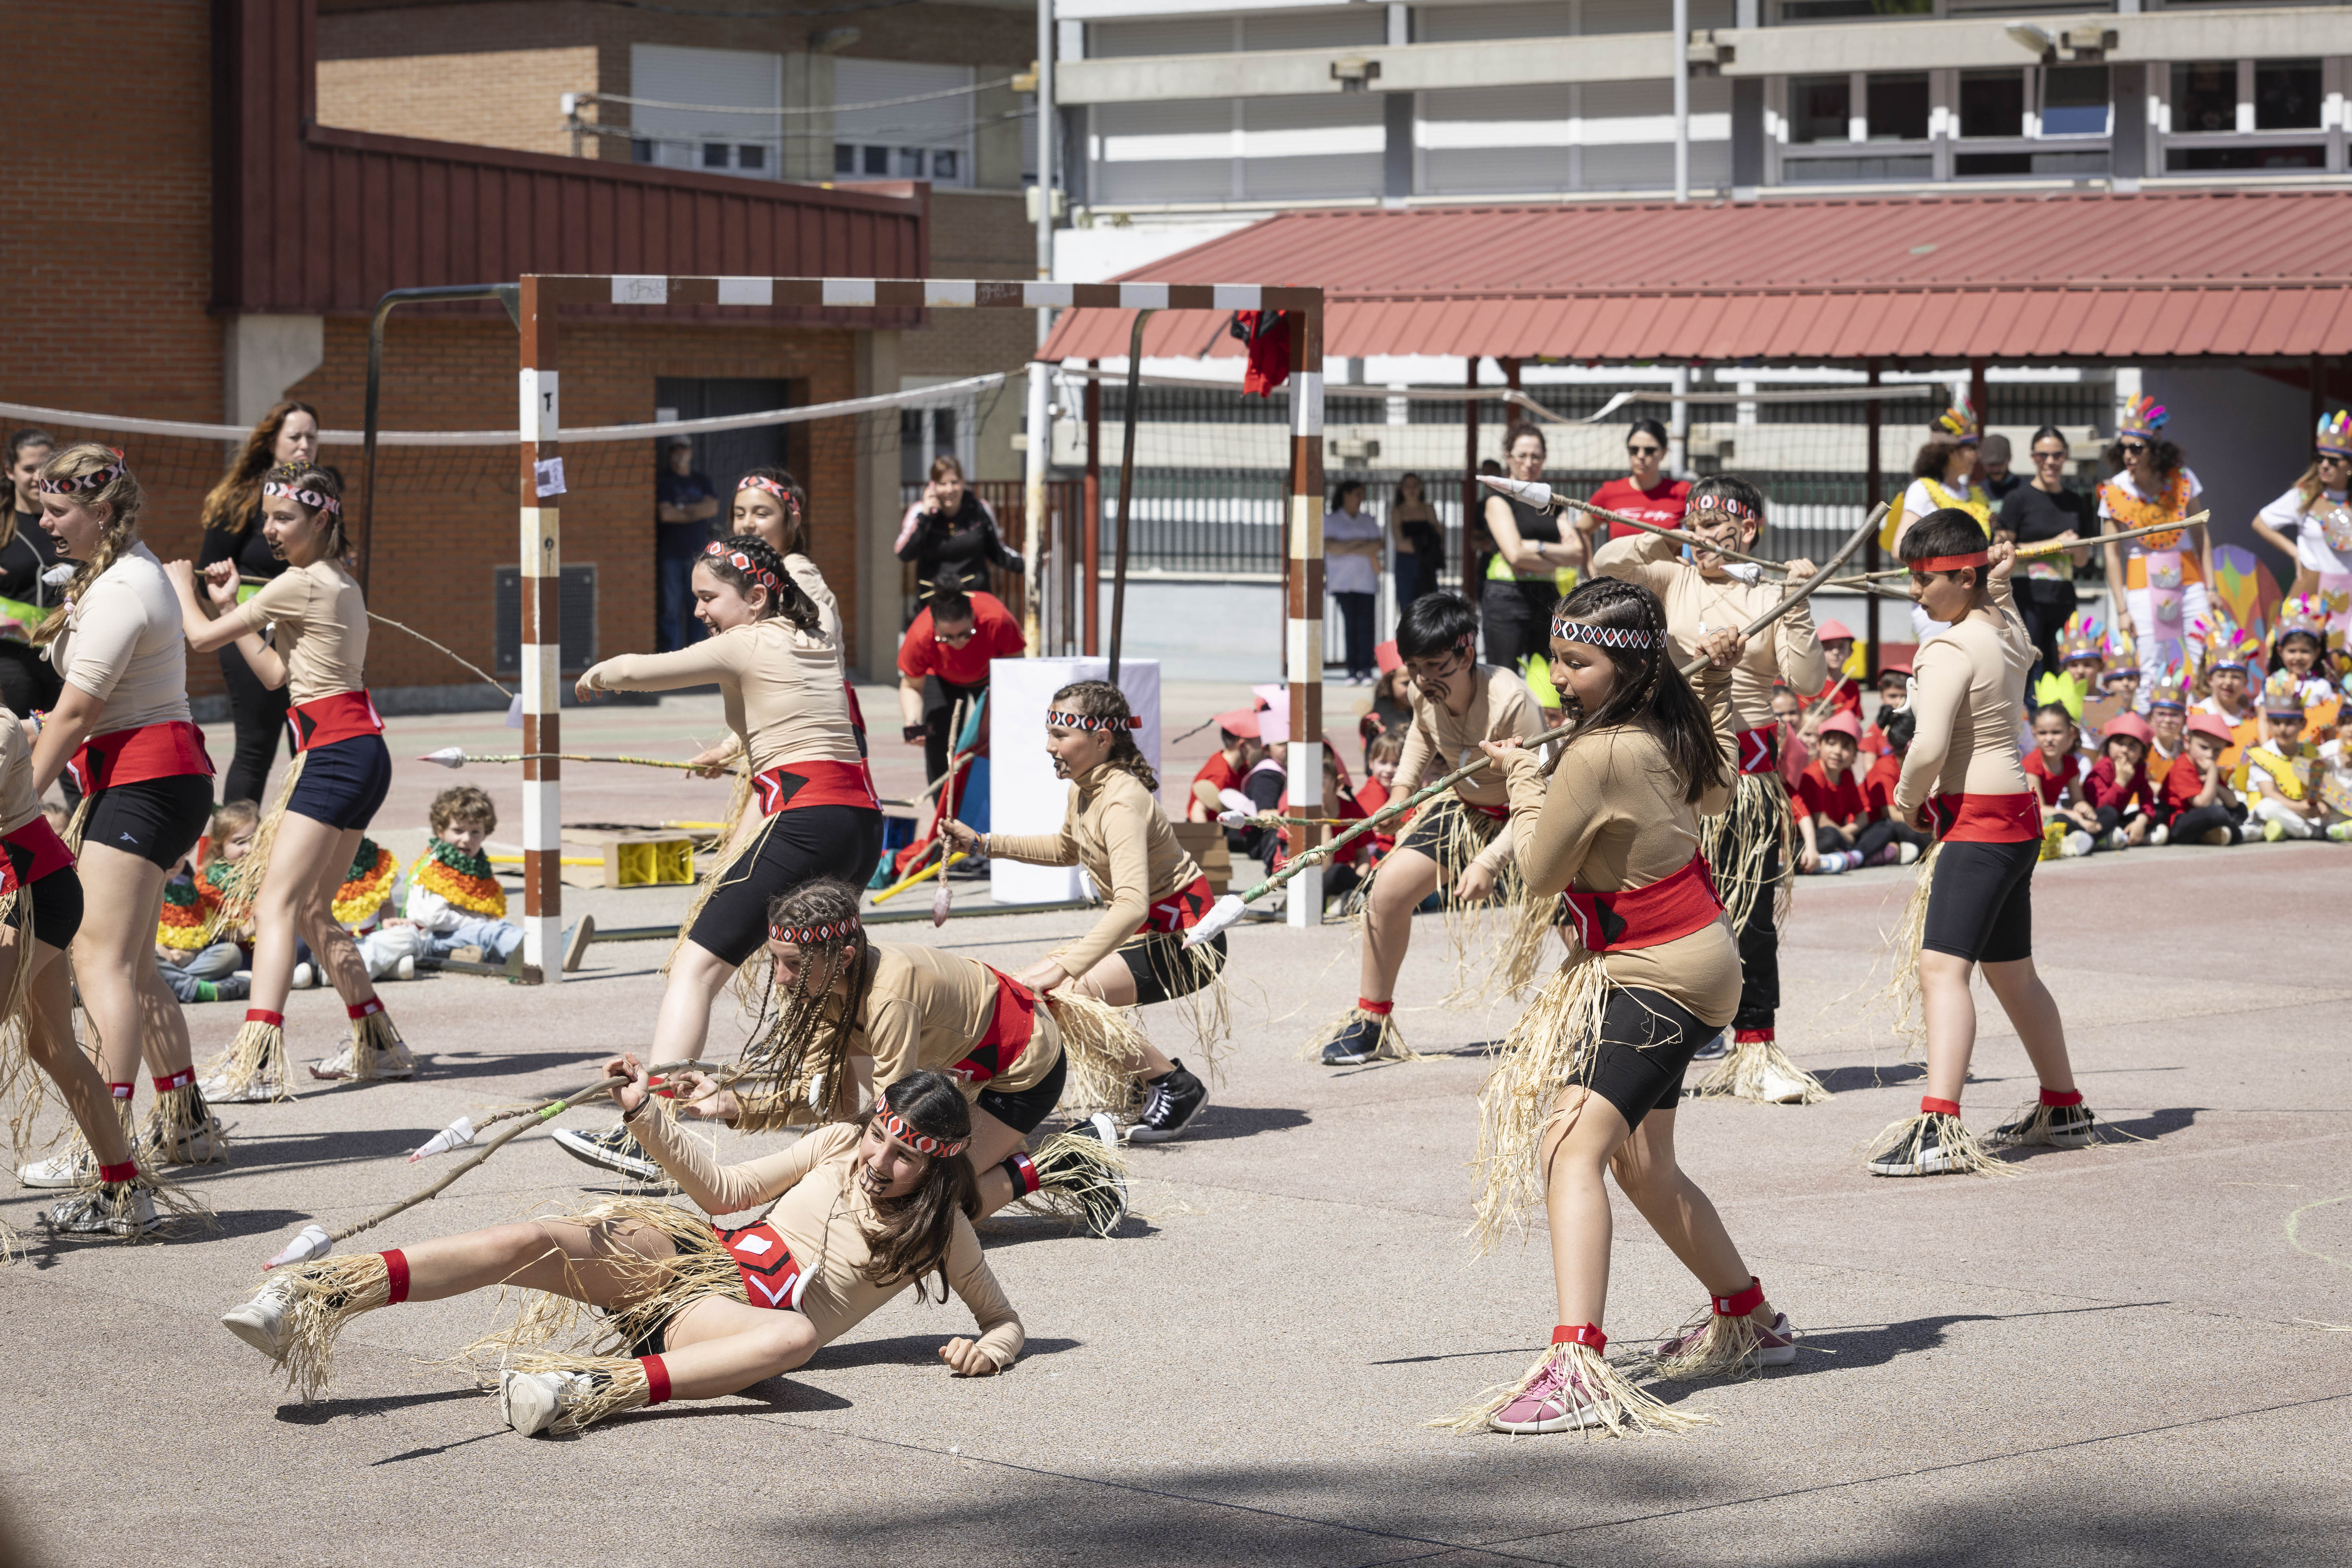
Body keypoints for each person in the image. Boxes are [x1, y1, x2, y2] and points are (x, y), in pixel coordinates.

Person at [1447, 583, 1792, 1436]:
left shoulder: (1598, 753)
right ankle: (1747, 1315)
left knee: (1569, 1145)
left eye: (1578, 663)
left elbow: (1539, 874)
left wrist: (1522, 778)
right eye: (1556, 660)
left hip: (1657, 970)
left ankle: (1578, 1364)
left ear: (1629, 666)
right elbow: (1716, 792)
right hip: (1688, 958)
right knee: (1641, 1163)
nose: (1560, 679)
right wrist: (1715, 687)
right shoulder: (1665, 723)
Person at [219, 1068, 1024, 1432]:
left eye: (903, 1157)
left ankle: (582, 1391)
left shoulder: (943, 1234)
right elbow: (724, 1192)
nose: (878, 1162)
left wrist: (986, 1348)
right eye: (879, 1139)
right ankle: (319, 1295)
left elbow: (1004, 1320)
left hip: (724, 1324)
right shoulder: (836, 1144)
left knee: (794, 1338)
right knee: (532, 1238)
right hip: (693, 1252)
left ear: (938, 1164)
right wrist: (646, 1116)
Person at [554, 535, 884, 1182]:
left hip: (804, 819)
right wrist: (734, 749)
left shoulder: (747, 640)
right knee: (831, 985)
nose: (700, 610)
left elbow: (642, 670)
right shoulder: (815, 636)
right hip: (861, 823)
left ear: (757, 596)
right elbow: (789, 706)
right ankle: (875, 1125)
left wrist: (598, 674)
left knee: (695, 967)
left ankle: (652, 1136)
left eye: (709, 597)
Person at [1869, 514, 2106, 1177]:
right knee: (2011, 972)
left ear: (1965, 576)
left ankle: (1939, 1124)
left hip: (1977, 821)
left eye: (1925, 580)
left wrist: (1905, 799)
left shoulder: (1946, 647)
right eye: (1912, 578)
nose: (1914, 592)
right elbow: (2016, 637)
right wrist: (1999, 585)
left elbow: (1926, 745)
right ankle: (2062, 1106)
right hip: (2015, 817)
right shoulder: (2003, 629)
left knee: (1941, 969)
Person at [169, 463, 409, 1096]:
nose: (270, 530)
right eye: (267, 518)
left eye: (284, 518)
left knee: (273, 905)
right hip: (361, 751)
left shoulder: (297, 583)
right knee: (308, 909)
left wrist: (180, 588)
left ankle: (256, 1062)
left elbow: (200, 640)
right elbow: (278, 674)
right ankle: (379, 1043)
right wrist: (230, 603)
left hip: (334, 754)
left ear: (321, 517)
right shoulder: (338, 580)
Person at [17, 444, 220, 1174]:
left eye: (57, 510)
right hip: (150, 778)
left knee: (97, 958)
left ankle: (104, 1144)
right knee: (130, 963)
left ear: (101, 512)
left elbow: (77, 714)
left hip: (147, 782)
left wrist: (15, 804)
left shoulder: (124, 587)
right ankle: (186, 1123)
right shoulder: (116, 574)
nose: (44, 522)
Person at [1594, 476, 1827, 1106]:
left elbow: (1808, 680)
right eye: (1692, 524)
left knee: (1749, 914)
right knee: (1672, 905)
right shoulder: (1671, 577)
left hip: (1746, 779)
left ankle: (1755, 1047)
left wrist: (1798, 602)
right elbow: (1605, 563)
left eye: (1714, 526)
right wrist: (1662, 536)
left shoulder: (1769, 593)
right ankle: (1670, 1027)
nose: (1701, 536)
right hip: (1673, 771)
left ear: (1747, 529)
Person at [940, 681, 1218, 1142]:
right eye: (1049, 733)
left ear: (1102, 739)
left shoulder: (1121, 801)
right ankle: (1139, 1082)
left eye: (1060, 735)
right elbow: (1067, 848)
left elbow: (1131, 904)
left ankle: (1174, 1085)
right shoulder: (1086, 790)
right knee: (1022, 989)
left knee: (1062, 992)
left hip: (1186, 940)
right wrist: (982, 843)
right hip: (1148, 935)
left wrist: (1063, 967)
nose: (1049, 746)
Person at [1309, 592, 1541, 1067]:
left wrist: (1488, 861)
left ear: (1466, 654)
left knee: (1580, 916)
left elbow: (1538, 797)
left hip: (1532, 818)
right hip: (1464, 808)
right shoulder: (1422, 689)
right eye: (1413, 667)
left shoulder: (1511, 701)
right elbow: (1421, 730)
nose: (1421, 679)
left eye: (1435, 666)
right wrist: (1400, 793)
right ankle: (1371, 1023)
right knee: (1387, 891)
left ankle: (1619, 1023)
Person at [2, 690, 188, 1236]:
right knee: (52, 1046)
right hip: (30, 892)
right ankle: (125, 1191)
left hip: (30, 895)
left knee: (56, 1043)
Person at [197, 400, 320, 808]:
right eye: (295, 436)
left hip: (310, 636)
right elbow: (204, 580)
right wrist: (236, 607)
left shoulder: (321, 497)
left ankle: (304, 836)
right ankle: (234, 842)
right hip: (252, 634)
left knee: (313, 748)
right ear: (272, 441)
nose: (305, 445)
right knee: (256, 747)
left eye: (312, 437)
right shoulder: (238, 499)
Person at [2099, 394, 2211, 700]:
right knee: (2148, 663)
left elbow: (2200, 534)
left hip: (2190, 582)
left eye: (2136, 447)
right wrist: (2121, 609)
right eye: (2123, 448)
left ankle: (2202, 721)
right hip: (2140, 586)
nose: (2128, 455)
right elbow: (2111, 554)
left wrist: (2211, 588)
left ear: (2154, 448)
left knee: (2204, 655)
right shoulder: (2114, 490)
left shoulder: (2183, 479)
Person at [896, 569, 1023, 795]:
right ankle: (945, 808)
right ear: (934, 625)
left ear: (973, 617)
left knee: (999, 736)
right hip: (942, 678)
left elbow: (1017, 670)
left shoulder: (997, 619)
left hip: (990, 675)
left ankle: (1000, 798)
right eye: (947, 637)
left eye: (966, 634)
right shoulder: (921, 635)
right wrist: (913, 722)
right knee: (938, 741)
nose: (957, 643)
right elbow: (912, 686)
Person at [1481, 424, 1586, 688]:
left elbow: (1577, 553)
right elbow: (1515, 554)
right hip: (1507, 597)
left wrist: (1536, 546)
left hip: (1548, 597)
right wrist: (1555, 558)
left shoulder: (1553, 503)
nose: (1529, 463)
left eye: (1536, 456)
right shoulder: (1498, 500)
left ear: (1544, 459)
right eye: (1522, 455)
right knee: (1503, 681)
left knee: (1548, 682)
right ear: (1508, 456)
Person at [1997, 426, 2095, 682]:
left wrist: (2076, 548)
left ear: (2066, 456)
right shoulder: (2017, 499)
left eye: (2057, 455)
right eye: (2043, 456)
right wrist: (2054, 544)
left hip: (2063, 598)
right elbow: (2004, 552)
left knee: (2062, 668)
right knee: (2026, 669)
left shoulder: (2076, 503)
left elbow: (2082, 561)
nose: (2050, 462)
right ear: (2033, 458)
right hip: (2026, 599)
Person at [1890, 398, 1991, 644]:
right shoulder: (1923, 490)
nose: (1976, 455)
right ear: (1950, 452)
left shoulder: (1978, 496)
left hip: (1977, 599)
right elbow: (1899, 548)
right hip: (1939, 603)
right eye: (1971, 447)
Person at [2249, 412, 2352, 638]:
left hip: (2349, 595)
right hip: (2311, 590)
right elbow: (2261, 523)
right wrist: (2295, 553)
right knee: (2297, 653)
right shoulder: (2305, 495)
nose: (2325, 465)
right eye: (2320, 458)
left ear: (2349, 466)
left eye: (2334, 461)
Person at [404, 784, 523, 969]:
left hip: (460, 934)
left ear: (485, 834)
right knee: (494, 933)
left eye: (475, 832)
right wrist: (481, 922)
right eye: (458, 831)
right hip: (429, 938)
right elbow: (433, 918)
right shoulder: (432, 868)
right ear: (440, 831)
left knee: (497, 933)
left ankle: (471, 954)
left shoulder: (478, 868)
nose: (467, 839)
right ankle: (543, 953)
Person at [155, 799, 255, 1005]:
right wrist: (161, 950)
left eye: (182, 851)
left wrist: (190, 954)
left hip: (189, 961)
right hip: (156, 955)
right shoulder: (146, 884)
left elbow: (202, 932)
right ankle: (196, 989)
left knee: (230, 954)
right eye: (240, 842)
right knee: (145, 957)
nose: (175, 859)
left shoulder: (188, 886)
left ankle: (166, 985)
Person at [0, 427, 65, 719]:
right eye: (29, 469)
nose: (38, 476)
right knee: (19, 737)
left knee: (66, 739)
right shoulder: (4, 523)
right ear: (10, 471)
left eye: (46, 467)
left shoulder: (70, 518)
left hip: (64, 650)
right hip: (11, 657)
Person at [894, 455, 1020, 599]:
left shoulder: (979, 509)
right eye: (943, 484)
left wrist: (1027, 563)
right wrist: (925, 516)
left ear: (963, 483)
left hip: (975, 601)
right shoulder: (920, 512)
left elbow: (998, 552)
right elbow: (904, 553)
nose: (949, 490)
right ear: (932, 486)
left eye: (955, 483)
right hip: (936, 604)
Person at [653, 438, 719, 653]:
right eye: (676, 448)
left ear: (691, 451)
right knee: (670, 610)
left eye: (684, 447)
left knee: (699, 608)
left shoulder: (701, 480)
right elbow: (666, 514)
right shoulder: (665, 481)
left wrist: (681, 511)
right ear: (670, 452)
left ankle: (697, 655)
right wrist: (696, 511)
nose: (680, 452)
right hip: (671, 555)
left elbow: (712, 509)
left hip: (698, 557)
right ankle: (672, 657)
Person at [1583, 418, 1691, 544]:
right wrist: (1589, 558)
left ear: (1664, 453)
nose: (1641, 456)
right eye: (1634, 450)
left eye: (1649, 451)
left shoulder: (1682, 492)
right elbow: (1581, 531)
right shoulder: (1610, 492)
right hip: (1621, 558)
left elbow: (1705, 530)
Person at [1324, 479, 1383, 685]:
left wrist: (1346, 547)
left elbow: (1377, 545)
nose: (1361, 498)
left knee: (1366, 627)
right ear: (1346, 495)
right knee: (1351, 626)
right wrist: (1360, 544)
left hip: (1366, 582)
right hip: (1342, 582)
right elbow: (1330, 547)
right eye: (1357, 494)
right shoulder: (1331, 520)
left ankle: (1366, 670)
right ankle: (1352, 671)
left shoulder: (1368, 520)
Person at [2162, 713, 2247, 846]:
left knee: (2241, 809)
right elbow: (2203, 804)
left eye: (2217, 750)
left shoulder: (2207, 766)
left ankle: (2212, 835)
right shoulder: (2183, 766)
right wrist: (2213, 773)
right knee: (2217, 813)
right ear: (2187, 742)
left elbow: (2233, 803)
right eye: (2204, 747)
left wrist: (2216, 786)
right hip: (2178, 822)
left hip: (2202, 817)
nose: (2210, 755)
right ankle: (2236, 833)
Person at [2082, 712, 2160, 849]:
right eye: (2119, 743)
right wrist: (2121, 782)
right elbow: (2102, 807)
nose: (2124, 750)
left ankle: (2130, 833)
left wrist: (2141, 821)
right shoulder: (2102, 768)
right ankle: (2108, 838)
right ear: (2109, 745)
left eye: (2132, 746)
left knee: (2160, 810)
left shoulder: (2138, 769)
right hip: (2096, 819)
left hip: (2119, 817)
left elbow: (2147, 797)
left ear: (2142, 753)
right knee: (2109, 814)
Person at [1390, 472, 1442, 613]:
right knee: (1408, 609)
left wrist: (1416, 543)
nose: (1412, 489)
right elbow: (1400, 544)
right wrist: (1425, 543)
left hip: (1427, 566)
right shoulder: (1397, 511)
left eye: (1415, 486)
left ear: (1421, 488)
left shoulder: (1429, 509)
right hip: (1405, 566)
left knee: (1430, 610)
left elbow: (1438, 539)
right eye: (1407, 486)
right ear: (1402, 489)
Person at [1978, 432, 2023, 502]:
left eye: (2000, 464)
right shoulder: (1978, 491)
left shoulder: (2025, 490)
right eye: (1991, 465)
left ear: (2010, 458)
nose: (1995, 470)